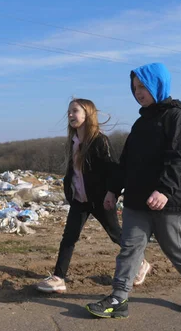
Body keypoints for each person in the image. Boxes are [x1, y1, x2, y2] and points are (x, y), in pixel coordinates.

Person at [86, 63, 181, 318]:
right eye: (134, 88)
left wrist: (164, 190)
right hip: (136, 198)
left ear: (158, 84)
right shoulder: (141, 122)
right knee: (130, 248)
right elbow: (126, 162)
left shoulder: (177, 117)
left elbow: (179, 158)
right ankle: (119, 298)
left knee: (174, 247)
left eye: (142, 86)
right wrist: (112, 190)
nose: (138, 92)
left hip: (168, 200)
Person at [37, 98, 151, 294]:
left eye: (75, 111)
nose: (71, 115)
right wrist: (70, 191)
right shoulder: (73, 142)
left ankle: (141, 263)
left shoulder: (99, 141)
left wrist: (111, 193)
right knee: (69, 238)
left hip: (99, 200)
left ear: (87, 115)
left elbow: (112, 171)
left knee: (116, 234)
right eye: (69, 112)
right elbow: (74, 172)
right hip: (80, 200)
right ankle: (58, 278)